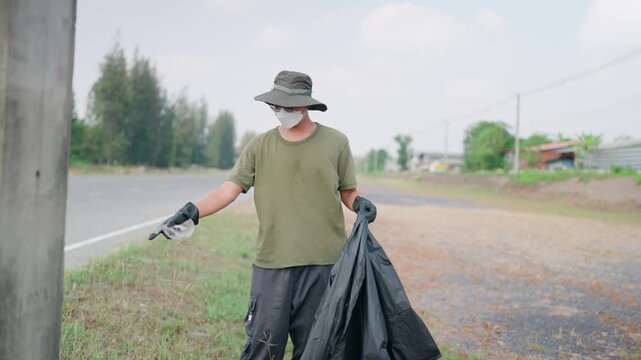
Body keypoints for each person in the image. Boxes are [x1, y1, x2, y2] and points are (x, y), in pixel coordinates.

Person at [148, 70, 377, 360]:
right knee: (263, 347)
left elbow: (347, 190)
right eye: (276, 106)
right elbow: (228, 189)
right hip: (272, 264)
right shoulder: (259, 146)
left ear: (306, 104)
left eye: (289, 106)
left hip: (324, 264)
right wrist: (192, 211)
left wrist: (359, 204)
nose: (281, 112)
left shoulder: (336, 142)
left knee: (318, 349)